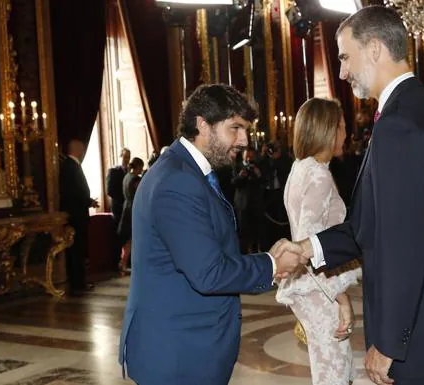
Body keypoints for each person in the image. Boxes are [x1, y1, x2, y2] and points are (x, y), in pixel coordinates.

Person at [272, 6, 424, 384]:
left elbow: (405, 244)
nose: (341, 71)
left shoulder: (400, 123)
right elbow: (367, 225)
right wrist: (307, 249)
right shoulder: (419, 108)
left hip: (419, 336)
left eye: (344, 56)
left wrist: (390, 343)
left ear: (373, 49)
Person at [118, 84, 303, 385]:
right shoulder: (177, 180)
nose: (244, 140)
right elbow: (209, 272)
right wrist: (272, 264)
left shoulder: (187, 171)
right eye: (235, 129)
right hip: (178, 356)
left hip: (189, 347)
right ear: (202, 124)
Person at [276, 98, 361, 385]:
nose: (346, 135)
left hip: (312, 287)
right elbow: (309, 246)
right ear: (328, 130)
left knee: (331, 368)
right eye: (342, 127)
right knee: (333, 373)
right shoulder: (319, 176)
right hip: (319, 289)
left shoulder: (300, 168)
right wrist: (342, 299)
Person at [60, 139, 98, 294]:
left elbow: (78, 191)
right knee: (77, 251)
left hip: (78, 213)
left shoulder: (72, 166)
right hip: (76, 216)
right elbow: (74, 192)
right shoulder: (70, 167)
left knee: (79, 250)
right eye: (82, 149)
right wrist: (86, 201)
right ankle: (78, 283)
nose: (83, 152)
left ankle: (79, 282)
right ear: (78, 150)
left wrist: (89, 201)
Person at [117, 157, 144, 274]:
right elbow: (140, 195)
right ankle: (124, 263)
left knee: (128, 238)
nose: (141, 170)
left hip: (126, 208)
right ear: (137, 167)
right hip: (134, 210)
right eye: (141, 168)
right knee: (132, 238)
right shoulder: (136, 179)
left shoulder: (126, 177)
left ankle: (123, 262)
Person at [106, 148, 131, 226]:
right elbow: (110, 190)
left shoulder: (130, 171)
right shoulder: (113, 171)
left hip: (128, 208)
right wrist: (123, 200)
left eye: (128, 157)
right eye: (125, 157)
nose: (127, 159)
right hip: (118, 208)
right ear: (120, 157)